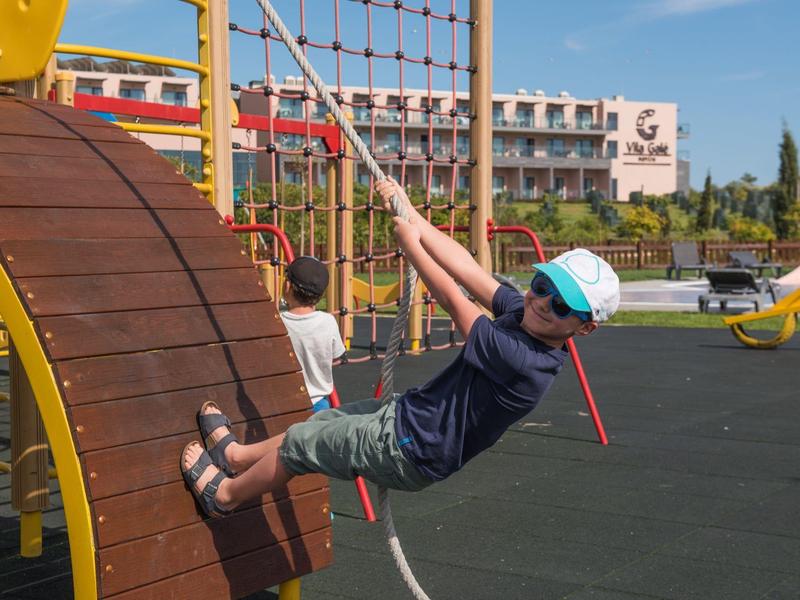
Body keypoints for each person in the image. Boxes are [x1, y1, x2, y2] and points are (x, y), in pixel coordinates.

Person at [180, 177, 620, 518]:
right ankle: (234, 456)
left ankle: (225, 496)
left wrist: (412, 249)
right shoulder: (523, 312)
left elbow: (455, 301)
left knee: (301, 442)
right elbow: (467, 266)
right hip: (407, 416)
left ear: (584, 329)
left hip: (411, 449)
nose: (543, 302)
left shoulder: (527, 362)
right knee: (326, 419)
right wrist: (413, 216)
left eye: (562, 306)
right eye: (543, 286)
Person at [279, 255, 346, 414]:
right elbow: (336, 355)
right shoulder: (328, 322)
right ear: (320, 295)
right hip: (319, 404)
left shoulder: (278, 323)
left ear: (287, 286)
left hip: (284, 404)